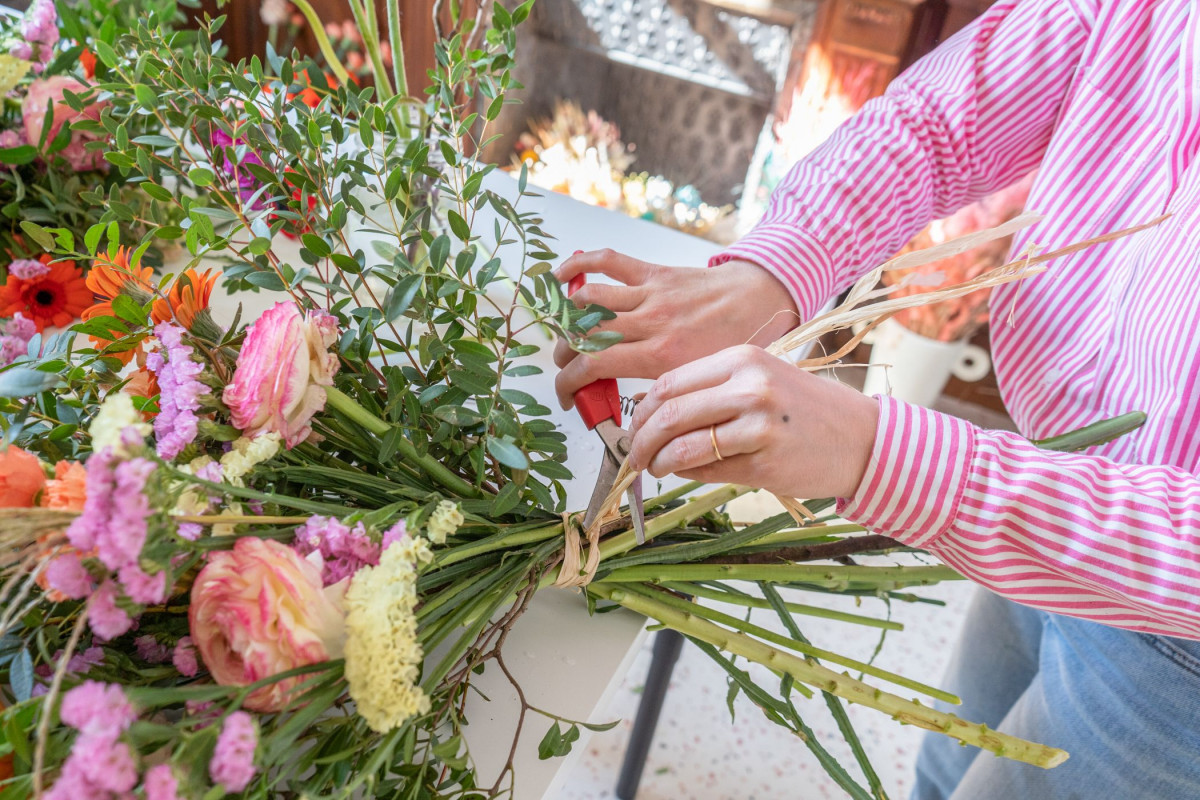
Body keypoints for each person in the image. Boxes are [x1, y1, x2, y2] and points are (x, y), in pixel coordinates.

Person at [552, 1, 1200, 798]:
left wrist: (879, 453)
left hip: (1181, 656)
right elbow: (941, 122)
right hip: (1047, 495)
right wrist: (772, 274)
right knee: (945, 766)